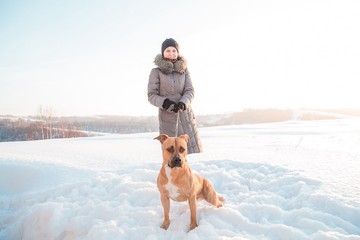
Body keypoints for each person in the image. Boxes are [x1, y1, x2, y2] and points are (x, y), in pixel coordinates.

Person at [148, 38, 203, 154]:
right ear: (163, 52)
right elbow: (151, 95)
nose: (171, 53)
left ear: (178, 52)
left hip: (185, 116)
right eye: (168, 50)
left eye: (174, 50)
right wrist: (165, 103)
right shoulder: (156, 72)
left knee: (192, 152)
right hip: (168, 117)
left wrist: (184, 102)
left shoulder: (184, 70)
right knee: (172, 155)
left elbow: (190, 90)